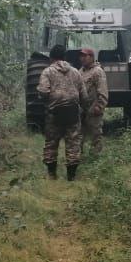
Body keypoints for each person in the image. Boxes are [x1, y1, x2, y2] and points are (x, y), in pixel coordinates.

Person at [36, 44, 90, 180]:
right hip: (73, 112)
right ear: (64, 57)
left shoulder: (47, 72)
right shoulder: (76, 72)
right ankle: (71, 177)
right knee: (73, 143)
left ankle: (52, 175)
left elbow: (43, 91)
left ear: (51, 58)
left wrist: (46, 100)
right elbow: (84, 95)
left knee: (51, 143)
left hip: (54, 113)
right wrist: (84, 110)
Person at [78, 47, 109, 157]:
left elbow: (103, 91)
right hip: (81, 108)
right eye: (81, 56)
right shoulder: (80, 71)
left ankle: (97, 156)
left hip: (93, 107)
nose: (82, 58)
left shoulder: (98, 71)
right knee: (79, 133)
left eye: (84, 56)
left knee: (96, 133)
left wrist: (99, 106)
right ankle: (77, 156)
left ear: (91, 57)